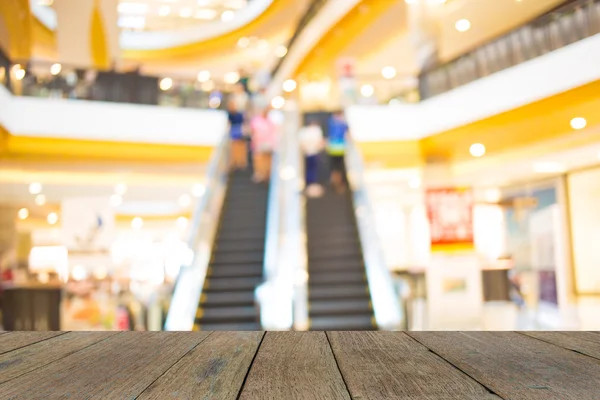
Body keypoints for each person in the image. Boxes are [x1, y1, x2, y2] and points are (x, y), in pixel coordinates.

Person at [250, 108, 277, 182]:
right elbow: (253, 131)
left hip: (269, 144)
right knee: (259, 160)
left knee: (267, 160)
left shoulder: (270, 121)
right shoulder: (256, 120)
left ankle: (267, 174)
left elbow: (274, 132)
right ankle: (260, 174)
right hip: (259, 143)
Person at [298, 120, 325, 197]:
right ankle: (310, 184)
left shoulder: (306, 132)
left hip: (311, 153)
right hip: (310, 153)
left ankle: (311, 184)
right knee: (310, 169)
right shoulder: (311, 131)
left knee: (312, 169)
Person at [327, 111, 349, 193]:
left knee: (335, 167)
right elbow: (347, 135)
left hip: (333, 148)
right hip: (340, 148)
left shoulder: (331, 122)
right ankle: (338, 183)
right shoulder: (342, 123)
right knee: (338, 167)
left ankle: (335, 182)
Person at [227, 100, 247, 170]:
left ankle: (241, 161)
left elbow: (243, 123)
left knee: (240, 146)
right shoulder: (229, 114)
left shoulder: (239, 114)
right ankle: (235, 161)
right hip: (234, 131)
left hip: (239, 130)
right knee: (234, 147)